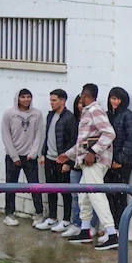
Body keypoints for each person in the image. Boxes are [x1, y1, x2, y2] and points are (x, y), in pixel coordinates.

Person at [61, 83, 119, 250]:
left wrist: (93, 152)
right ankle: (85, 230)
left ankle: (111, 233)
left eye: (82, 97)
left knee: (96, 195)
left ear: (84, 96)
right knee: (84, 195)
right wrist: (68, 154)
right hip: (88, 161)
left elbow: (109, 133)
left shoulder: (94, 110)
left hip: (96, 161)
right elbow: (82, 142)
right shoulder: (89, 112)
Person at [0, 88, 45, 226]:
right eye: (23, 97)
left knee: (34, 185)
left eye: (28, 97)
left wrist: (33, 152)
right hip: (13, 157)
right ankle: (9, 213)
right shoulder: (9, 114)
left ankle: (39, 214)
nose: (26, 100)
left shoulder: (37, 114)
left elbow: (39, 134)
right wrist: (14, 156)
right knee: (11, 186)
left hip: (30, 157)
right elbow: (6, 135)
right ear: (18, 98)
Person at [37, 89, 76, 231]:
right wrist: (43, 153)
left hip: (61, 161)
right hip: (49, 159)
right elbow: (47, 137)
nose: (51, 103)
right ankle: (52, 218)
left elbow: (73, 141)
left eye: (54, 100)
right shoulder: (50, 115)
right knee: (50, 189)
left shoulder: (69, 118)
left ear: (63, 100)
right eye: (51, 100)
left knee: (65, 191)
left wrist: (68, 162)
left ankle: (66, 220)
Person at [104, 87, 132, 231]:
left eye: (117, 99)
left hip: (121, 164)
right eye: (112, 98)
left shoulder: (128, 116)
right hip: (107, 161)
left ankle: (120, 228)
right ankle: (111, 228)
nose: (115, 102)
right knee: (108, 195)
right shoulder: (107, 115)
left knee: (120, 196)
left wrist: (120, 160)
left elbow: (130, 140)